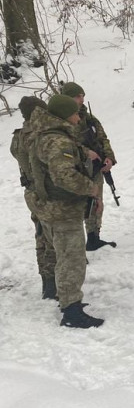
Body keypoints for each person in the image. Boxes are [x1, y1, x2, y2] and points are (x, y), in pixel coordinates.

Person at [27, 95, 104, 328]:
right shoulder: (58, 141)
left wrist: (83, 152)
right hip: (63, 211)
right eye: (74, 112)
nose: (77, 116)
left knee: (62, 256)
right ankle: (71, 311)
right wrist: (91, 189)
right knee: (72, 259)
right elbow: (64, 176)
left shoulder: (45, 136)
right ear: (63, 115)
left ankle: (67, 300)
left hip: (50, 209)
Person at [60, 81, 118, 251]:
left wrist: (109, 158)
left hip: (95, 168)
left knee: (97, 202)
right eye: (77, 96)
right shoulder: (63, 121)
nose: (81, 99)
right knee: (78, 205)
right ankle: (74, 245)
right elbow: (65, 144)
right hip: (75, 170)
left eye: (82, 95)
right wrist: (86, 152)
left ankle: (93, 237)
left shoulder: (90, 119)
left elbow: (103, 138)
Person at [10, 96, 57, 299]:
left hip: (31, 192)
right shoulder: (39, 133)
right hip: (47, 193)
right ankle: (58, 283)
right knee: (54, 237)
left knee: (41, 235)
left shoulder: (18, 136)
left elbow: (16, 153)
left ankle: (47, 282)